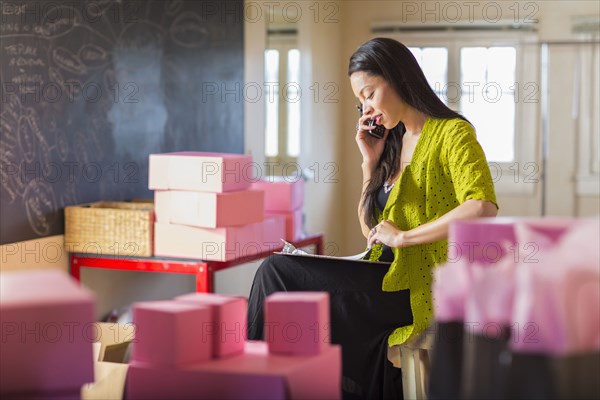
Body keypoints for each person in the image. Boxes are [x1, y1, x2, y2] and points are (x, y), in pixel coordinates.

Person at [247, 37, 498, 399]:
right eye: (360, 101)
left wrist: (405, 238)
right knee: (281, 280)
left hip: (420, 288)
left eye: (369, 93)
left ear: (396, 76)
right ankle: (276, 385)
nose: (367, 108)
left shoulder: (452, 133)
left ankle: (249, 384)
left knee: (276, 272)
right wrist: (370, 163)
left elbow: (482, 207)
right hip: (384, 276)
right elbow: (372, 233)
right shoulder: (393, 141)